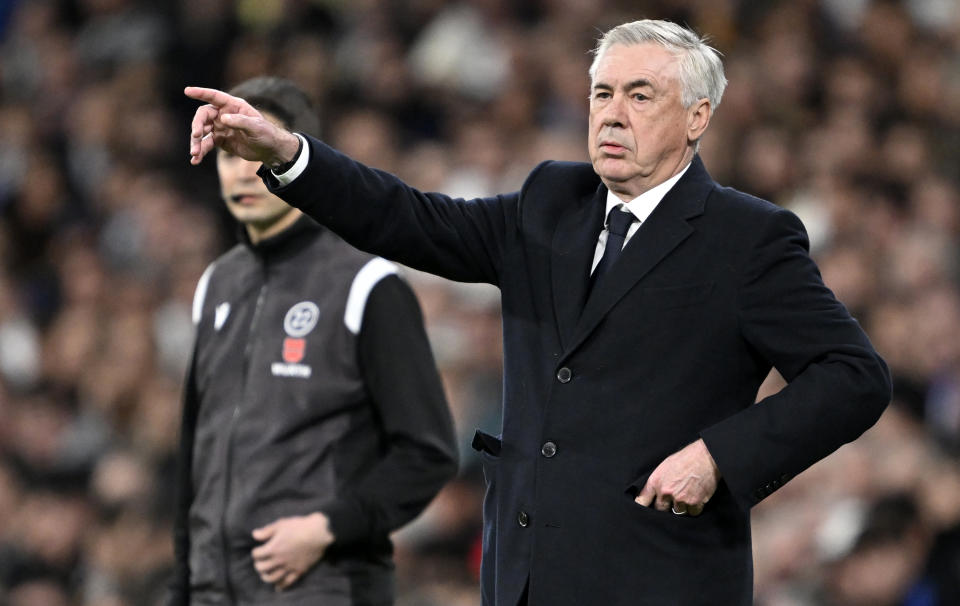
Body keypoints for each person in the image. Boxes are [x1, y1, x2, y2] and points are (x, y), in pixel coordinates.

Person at [184, 20, 892, 606]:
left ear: (697, 116)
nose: (612, 113)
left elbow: (854, 376)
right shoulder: (551, 201)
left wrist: (716, 457)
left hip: (657, 579)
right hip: (522, 577)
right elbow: (410, 219)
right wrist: (292, 157)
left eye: (640, 96)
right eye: (602, 93)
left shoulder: (747, 238)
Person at [168, 76, 458, 606]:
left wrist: (329, 526)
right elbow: (195, 449)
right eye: (229, 154)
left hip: (322, 587)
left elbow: (428, 452)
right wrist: (183, 585)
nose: (244, 171)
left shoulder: (367, 284)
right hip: (214, 591)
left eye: (256, 151)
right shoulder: (216, 283)